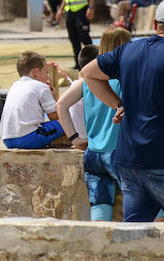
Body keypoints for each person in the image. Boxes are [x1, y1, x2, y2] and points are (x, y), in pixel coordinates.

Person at [81, 0, 164, 223]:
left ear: (154, 23)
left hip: (129, 162)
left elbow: (88, 73)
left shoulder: (128, 49)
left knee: (133, 236)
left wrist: (118, 104)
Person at [56, 28, 132, 221]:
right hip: (119, 152)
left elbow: (61, 105)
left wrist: (74, 138)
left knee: (100, 208)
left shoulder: (87, 80)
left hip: (94, 153)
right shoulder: (127, 78)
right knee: (145, 204)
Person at [0, 51, 69, 150]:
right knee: (66, 121)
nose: (47, 77)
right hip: (28, 139)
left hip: (7, 139)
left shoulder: (15, 85)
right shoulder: (41, 87)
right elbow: (55, 117)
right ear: (36, 72)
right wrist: (55, 97)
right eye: (46, 73)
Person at [60, 0, 94, 67]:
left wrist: (91, 7)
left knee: (84, 37)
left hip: (81, 11)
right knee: (73, 38)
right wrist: (60, 10)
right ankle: (78, 63)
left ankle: (94, 61)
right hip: (70, 12)